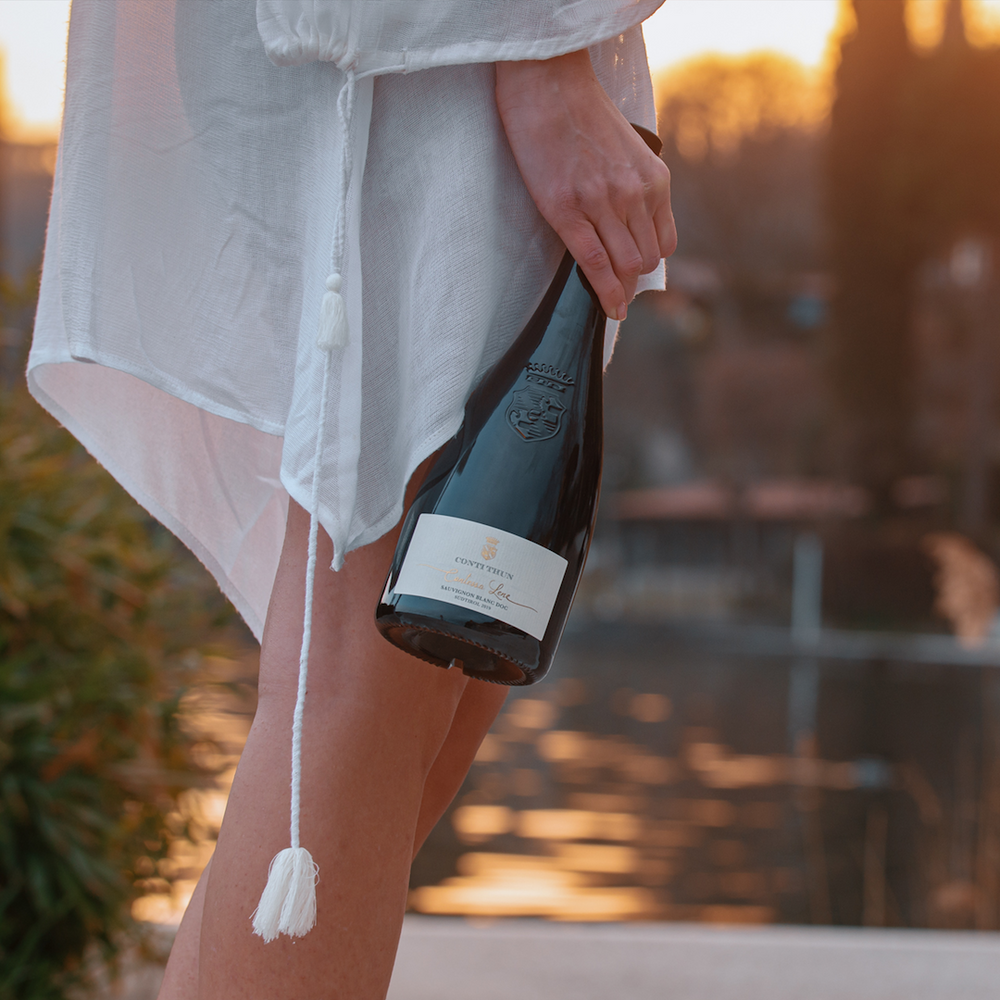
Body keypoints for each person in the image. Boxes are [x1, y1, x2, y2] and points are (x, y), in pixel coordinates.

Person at [28, 2, 675, 997]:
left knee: (424, 689)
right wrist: (539, 62)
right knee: (363, 682)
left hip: (454, 51)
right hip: (435, 52)